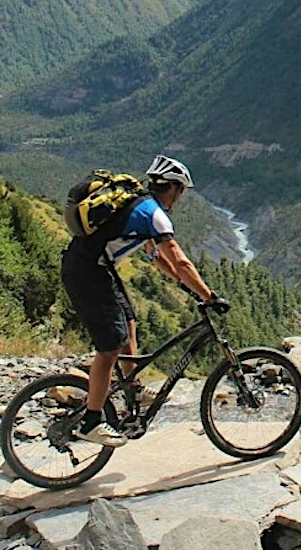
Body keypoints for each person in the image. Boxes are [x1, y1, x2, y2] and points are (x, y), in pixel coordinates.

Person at [61, 154, 227, 446]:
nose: (180, 198)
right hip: (87, 274)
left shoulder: (139, 205)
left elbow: (159, 258)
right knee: (110, 346)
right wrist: (209, 296)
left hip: (95, 268)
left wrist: (184, 286)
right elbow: (180, 259)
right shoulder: (153, 213)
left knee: (128, 321)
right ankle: (91, 421)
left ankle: (132, 388)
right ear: (173, 188)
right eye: (181, 192)